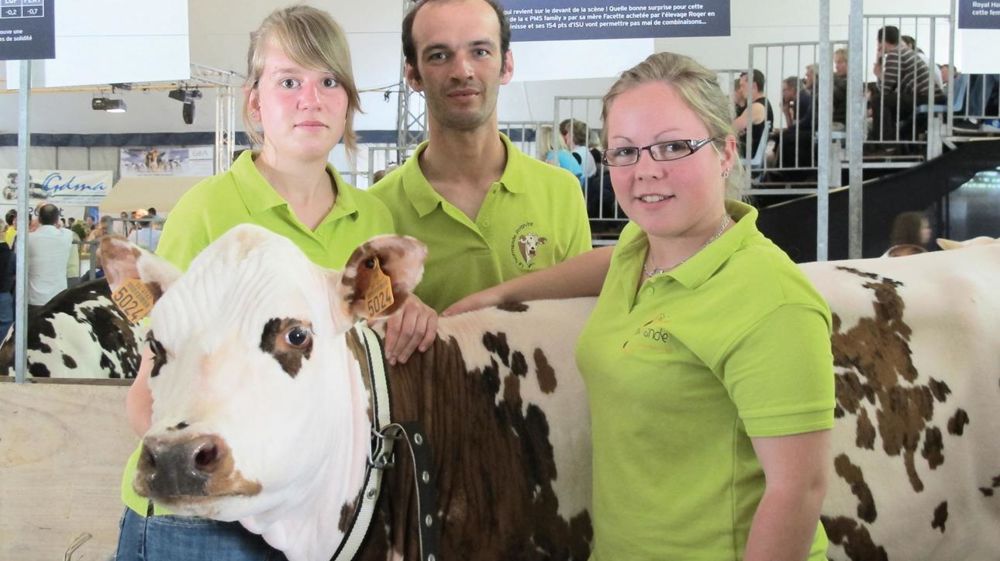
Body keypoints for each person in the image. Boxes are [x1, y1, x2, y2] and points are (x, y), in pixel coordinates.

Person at [447, 51, 834, 561]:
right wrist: (501, 294)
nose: (646, 171)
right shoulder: (642, 248)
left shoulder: (770, 298)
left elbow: (798, 491)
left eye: (673, 147)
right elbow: (611, 262)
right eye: (625, 152)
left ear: (725, 151)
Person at [114, 7, 421, 561]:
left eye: (329, 81)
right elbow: (149, 388)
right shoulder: (207, 212)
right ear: (255, 101)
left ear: (349, 100)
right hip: (201, 515)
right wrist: (191, 463)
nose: (312, 98)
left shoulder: (372, 222)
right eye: (289, 81)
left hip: (324, 521)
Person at [370, 0, 591, 315]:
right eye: (439, 55)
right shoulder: (377, 210)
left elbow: (578, 319)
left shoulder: (561, 192)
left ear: (507, 65)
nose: (462, 71)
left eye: (480, 51)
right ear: (413, 75)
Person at [26, 203, 74, 309]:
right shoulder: (66, 236)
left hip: (35, 297)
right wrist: (59, 223)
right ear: (57, 219)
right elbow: (63, 227)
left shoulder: (29, 239)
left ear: (39, 218)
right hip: (59, 294)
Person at [732, 69, 774, 162]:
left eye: (742, 86)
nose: (741, 90)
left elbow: (730, 128)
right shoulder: (764, 103)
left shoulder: (756, 107)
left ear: (753, 86)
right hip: (749, 154)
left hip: (748, 159)